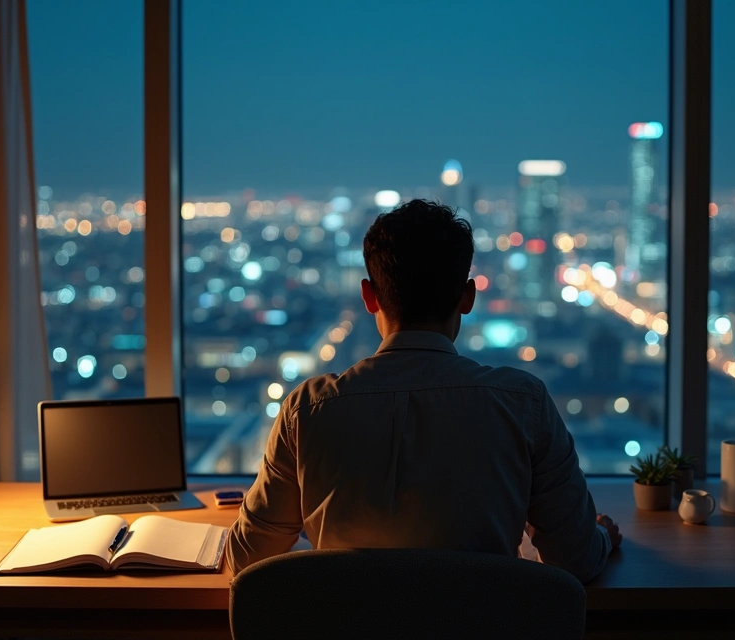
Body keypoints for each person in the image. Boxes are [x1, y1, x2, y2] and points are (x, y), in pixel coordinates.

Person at [227, 199, 621, 583]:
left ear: (369, 296)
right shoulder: (523, 403)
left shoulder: (308, 409)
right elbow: (576, 561)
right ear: (467, 297)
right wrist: (601, 536)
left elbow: (246, 558)